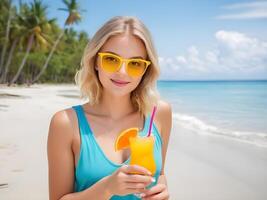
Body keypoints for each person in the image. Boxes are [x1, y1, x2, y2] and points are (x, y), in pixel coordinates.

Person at [47, 16, 172, 200]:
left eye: (135, 63)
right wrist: (107, 187)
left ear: (146, 69)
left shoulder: (160, 113)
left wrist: (162, 188)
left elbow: (159, 174)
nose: (122, 72)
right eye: (112, 60)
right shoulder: (65, 123)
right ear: (96, 61)